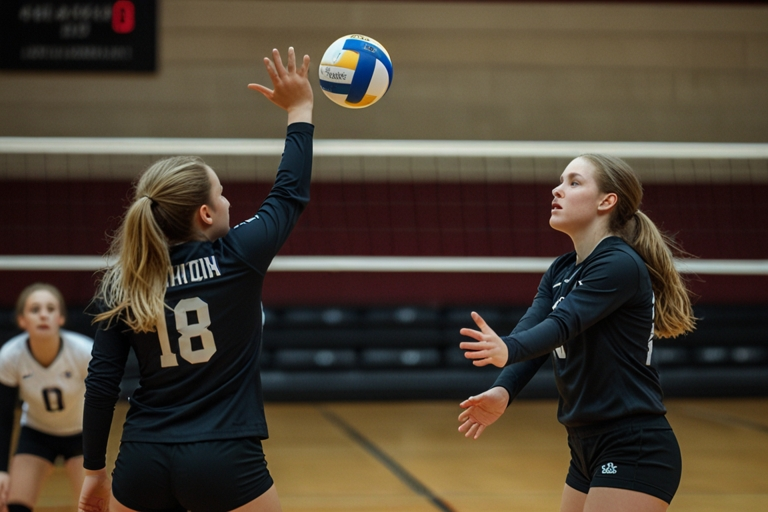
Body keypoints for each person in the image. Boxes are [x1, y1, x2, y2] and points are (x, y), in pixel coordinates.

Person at [77, 46, 313, 512]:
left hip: (141, 461)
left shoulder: (121, 282)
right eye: (221, 193)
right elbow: (289, 195)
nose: (228, 202)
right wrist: (300, 109)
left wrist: (93, 471)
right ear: (205, 213)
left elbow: (102, 382)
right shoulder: (238, 255)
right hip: (224, 457)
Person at [458, 154, 695, 512]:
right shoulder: (562, 268)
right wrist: (504, 389)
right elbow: (535, 328)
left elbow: (561, 325)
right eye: (561, 180)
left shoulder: (618, 263)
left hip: (633, 444)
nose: (557, 189)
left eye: (574, 182)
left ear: (607, 201)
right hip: (584, 444)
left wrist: (507, 348)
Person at [0, 283, 93, 512]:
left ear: (60, 318)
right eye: (35, 310)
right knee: (6, 502)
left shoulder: (84, 352)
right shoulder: (10, 356)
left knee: (94, 507)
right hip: (37, 433)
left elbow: (103, 403)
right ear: (22, 320)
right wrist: (1, 469)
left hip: (82, 435)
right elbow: (3, 416)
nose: (43, 315)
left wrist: (97, 454)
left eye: (51, 309)